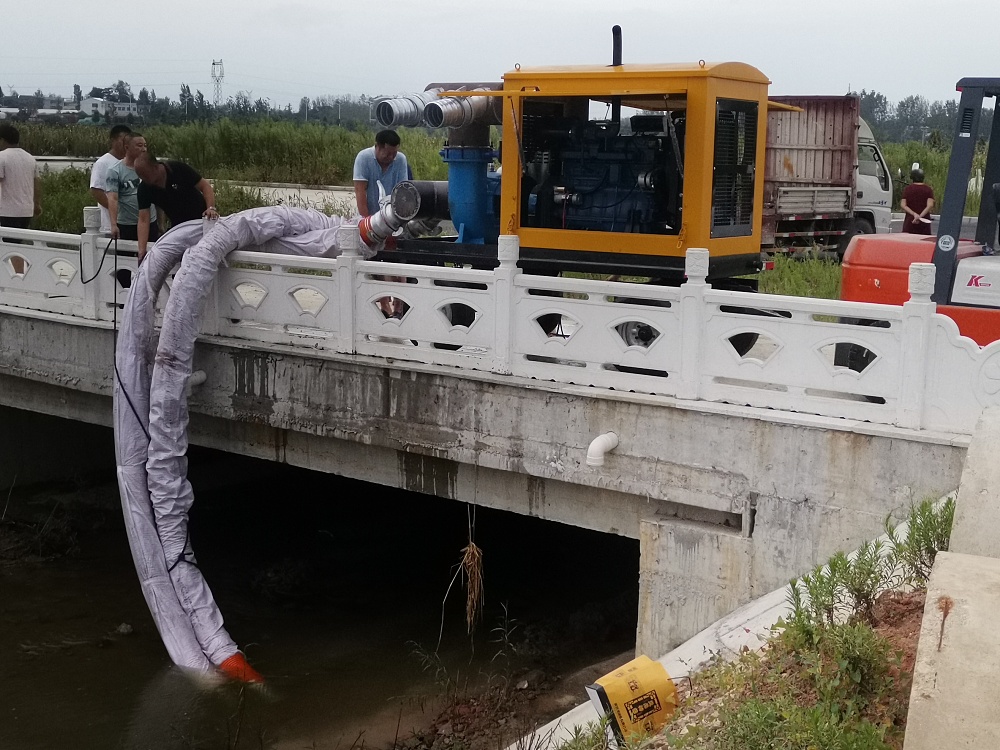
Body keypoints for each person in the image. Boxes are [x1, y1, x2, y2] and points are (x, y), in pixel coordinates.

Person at [135, 153, 217, 262]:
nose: (143, 179)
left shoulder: (177, 169)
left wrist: (210, 208)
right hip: (179, 227)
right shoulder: (144, 189)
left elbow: (205, 186)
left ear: (155, 167)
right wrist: (142, 249)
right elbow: (143, 220)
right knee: (180, 264)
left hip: (201, 222)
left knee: (204, 259)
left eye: (144, 175)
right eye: (140, 176)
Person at [106, 132, 159, 244]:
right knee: (126, 259)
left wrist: (161, 223)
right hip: (127, 225)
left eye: (145, 145)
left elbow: (159, 195)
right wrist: (113, 224)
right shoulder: (115, 171)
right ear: (127, 147)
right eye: (139, 146)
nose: (144, 149)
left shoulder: (151, 169)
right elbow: (113, 198)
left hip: (150, 222)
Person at [353, 129, 409, 217]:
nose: (391, 157)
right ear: (377, 147)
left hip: (392, 216)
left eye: (394, 153)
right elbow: (360, 190)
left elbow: (402, 191)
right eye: (387, 154)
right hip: (369, 214)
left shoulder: (401, 159)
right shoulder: (363, 157)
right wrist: (366, 221)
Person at [0, 123, 41, 235]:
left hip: (7, 212)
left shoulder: (2, 157)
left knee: (7, 247)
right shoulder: (30, 158)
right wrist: (36, 204)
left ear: (3, 140)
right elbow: (36, 182)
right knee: (17, 245)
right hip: (26, 211)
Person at [90, 124, 131, 234]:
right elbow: (96, 191)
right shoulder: (103, 163)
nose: (125, 144)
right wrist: (116, 211)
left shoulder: (130, 163)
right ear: (113, 140)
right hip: (109, 224)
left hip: (129, 222)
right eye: (122, 140)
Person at [901, 168, 935, 234]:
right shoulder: (928, 189)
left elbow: (903, 205)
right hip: (924, 221)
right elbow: (930, 205)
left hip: (910, 220)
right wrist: (920, 216)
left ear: (912, 178)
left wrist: (914, 215)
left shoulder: (908, 189)